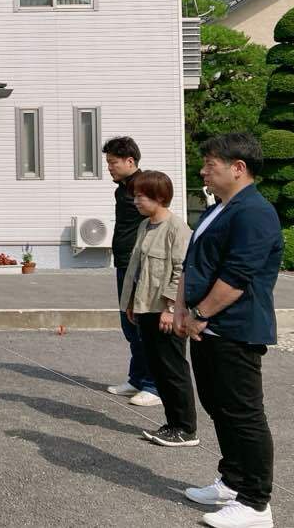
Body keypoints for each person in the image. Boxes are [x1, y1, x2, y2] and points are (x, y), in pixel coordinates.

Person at [177, 133, 282, 528]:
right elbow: (192, 263)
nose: (203, 172)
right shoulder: (218, 209)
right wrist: (183, 309)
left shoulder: (254, 211)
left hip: (234, 327)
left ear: (238, 168)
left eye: (210, 164)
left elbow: (238, 275)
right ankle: (231, 481)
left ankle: (256, 503)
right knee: (218, 407)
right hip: (206, 325)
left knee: (243, 413)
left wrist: (200, 313)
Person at [117, 170, 196, 447]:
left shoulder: (177, 228)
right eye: (135, 195)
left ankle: (185, 428)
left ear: (159, 197)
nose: (136, 201)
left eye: (141, 196)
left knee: (173, 367)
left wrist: (172, 308)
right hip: (145, 307)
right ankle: (172, 423)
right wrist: (129, 303)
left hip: (164, 311)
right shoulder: (145, 226)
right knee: (158, 368)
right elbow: (137, 271)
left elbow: (181, 271)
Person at [102, 136, 160, 407]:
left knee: (143, 324)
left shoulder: (144, 185)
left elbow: (157, 221)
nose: (109, 168)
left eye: (113, 162)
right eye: (108, 163)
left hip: (141, 265)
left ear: (130, 161)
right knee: (129, 325)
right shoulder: (121, 189)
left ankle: (154, 385)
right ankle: (137, 379)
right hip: (124, 263)